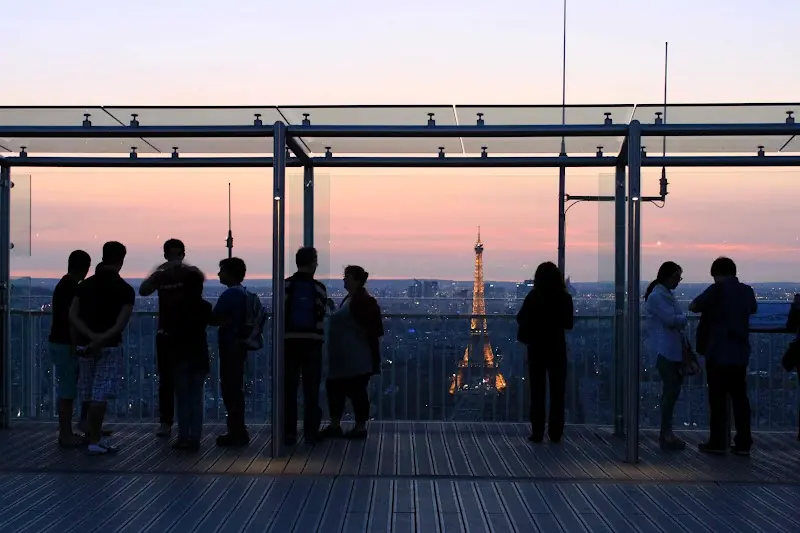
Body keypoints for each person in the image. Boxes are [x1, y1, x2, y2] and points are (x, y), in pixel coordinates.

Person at [69, 241, 135, 456]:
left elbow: (73, 315)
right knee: (100, 394)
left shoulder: (85, 286)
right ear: (121, 260)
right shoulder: (125, 289)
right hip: (109, 346)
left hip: (84, 345)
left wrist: (90, 336)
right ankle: (95, 440)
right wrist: (102, 338)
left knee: (87, 391)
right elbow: (120, 323)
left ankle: (89, 433)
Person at [690, 256, 757, 456]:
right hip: (740, 352)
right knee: (740, 399)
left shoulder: (716, 290)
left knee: (717, 399)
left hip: (718, 352)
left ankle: (718, 441)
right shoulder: (746, 290)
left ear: (716, 273)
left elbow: (694, 306)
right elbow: (753, 309)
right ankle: (744, 442)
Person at [139, 238, 200, 438]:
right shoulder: (164, 276)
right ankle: (167, 422)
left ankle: (180, 422)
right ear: (166, 255)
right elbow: (144, 290)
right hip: (168, 334)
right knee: (167, 381)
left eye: (179, 254)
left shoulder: (189, 275)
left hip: (182, 334)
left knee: (181, 380)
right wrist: (161, 272)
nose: (176, 258)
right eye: (173, 254)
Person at [319, 265, 383, 440]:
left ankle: (341, 425)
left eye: (347, 277)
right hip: (354, 358)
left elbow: (344, 322)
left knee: (344, 391)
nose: (344, 280)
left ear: (355, 279)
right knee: (355, 392)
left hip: (352, 358)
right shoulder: (357, 300)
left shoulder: (358, 301)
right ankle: (355, 427)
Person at [516, 261, 574, 443]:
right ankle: (556, 432)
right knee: (557, 393)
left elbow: (520, 317)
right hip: (556, 347)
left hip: (536, 347)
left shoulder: (534, 296)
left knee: (537, 391)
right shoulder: (564, 298)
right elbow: (568, 324)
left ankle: (537, 432)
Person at [284, 246, 330, 445]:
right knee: (311, 390)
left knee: (289, 390)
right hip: (312, 343)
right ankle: (310, 432)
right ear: (312, 263)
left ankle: (288, 432)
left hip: (289, 343)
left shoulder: (286, 286)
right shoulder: (319, 288)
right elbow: (321, 314)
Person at [644, 261, 689, 451]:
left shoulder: (663, 295)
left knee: (672, 391)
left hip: (669, 350)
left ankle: (667, 432)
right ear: (668, 276)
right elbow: (672, 320)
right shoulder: (658, 297)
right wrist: (684, 318)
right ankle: (666, 433)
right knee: (671, 392)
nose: (679, 280)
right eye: (677, 276)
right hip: (666, 351)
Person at [49, 250, 91, 447]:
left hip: (58, 341)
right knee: (67, 391)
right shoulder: (72, 288)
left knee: (66, 389)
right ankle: (65, 434)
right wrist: (76, 344)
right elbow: (71, 320)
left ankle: (67, 431)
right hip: (66, 343)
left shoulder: (62, 285)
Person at [171, 268, 211, 452]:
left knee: (182, 399)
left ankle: (183, 437)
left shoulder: (177, 306)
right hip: (199, 354)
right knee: (196, 398)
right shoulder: (205, 307)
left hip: (180, 354)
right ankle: (196, 437)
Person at [212, 257, 251, 446]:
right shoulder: (243, 294)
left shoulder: (229, 296)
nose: (219, 274)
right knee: (236, 388)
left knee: (230, 389)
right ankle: (238, 429)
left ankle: (236, 431)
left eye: (222, 270)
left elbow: (213, 317)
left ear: (230, 273)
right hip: (239, 346)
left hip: (230, 347)